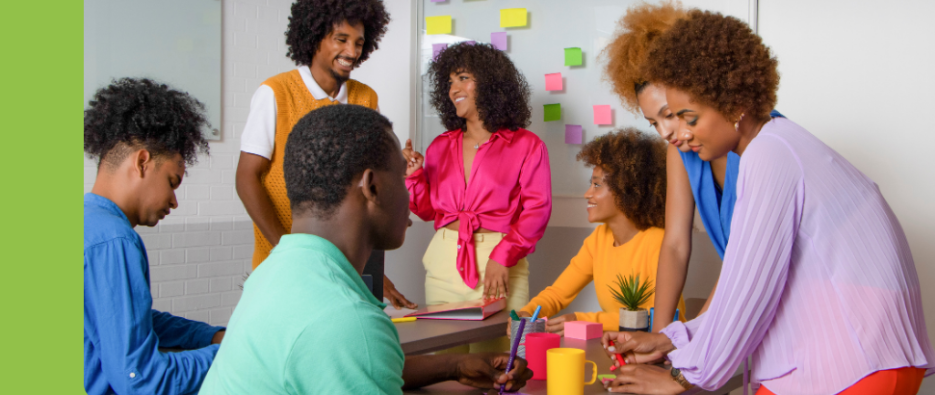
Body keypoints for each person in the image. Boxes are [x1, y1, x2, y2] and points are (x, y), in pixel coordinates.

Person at [600, 10, 935, 395]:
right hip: (850, 354)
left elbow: (750, 290)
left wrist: (681, 377)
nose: (679, 134)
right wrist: (675, 339)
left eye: (687, 117)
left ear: (732, 102)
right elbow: (750, 289)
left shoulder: (770, 156)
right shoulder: (776, 145)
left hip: (857, 360)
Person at [200, 105, 533, 394]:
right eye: (403, 177)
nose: (409, 192)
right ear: (372, 186)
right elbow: (352, 346)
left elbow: (348, 364)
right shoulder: (347, 320)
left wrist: (454, 365)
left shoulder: (277, 270)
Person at [601, 1, 783, 331]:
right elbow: (674, 245)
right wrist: (661, 334)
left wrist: (691, 338)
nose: (666, 132)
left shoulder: (763, 146)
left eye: (671, 115)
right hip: (746, 297)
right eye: (652, 122)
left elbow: (743, 261)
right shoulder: (680, 152)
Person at [234, 0, 414, 308]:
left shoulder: (365, 97)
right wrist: (286, 251)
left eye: (359, 43)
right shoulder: (276, 92)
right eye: (341, 39)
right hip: (284, 262)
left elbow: (368, 189)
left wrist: (396, 166)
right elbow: (246, 178)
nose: (352, 52)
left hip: (347, 269)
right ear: (314, 37)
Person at [404, 43, 551, 352]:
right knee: (444, 369)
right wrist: (413, 176)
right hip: (444, 265)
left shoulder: (527, 145)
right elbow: (430, 212)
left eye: (462, 78)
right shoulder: (439, 146)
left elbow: (537, 210)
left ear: (490, 82)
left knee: (496, 365)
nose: (453, 88)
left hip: (501, 268)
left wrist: (503, 255)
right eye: (449, 82)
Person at [84, 78, 225, 395]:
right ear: (143, 161)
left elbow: (127, 320)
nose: (175, 201)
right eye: (172, 182)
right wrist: (238, 352)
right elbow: (142, 381)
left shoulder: (87, 222)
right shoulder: (114, 240)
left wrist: (209, 336)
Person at [512, 129, 685, 334]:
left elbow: (659, 317)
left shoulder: (659, 242)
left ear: (625, 189)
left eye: (597, 185)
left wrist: (582, 319)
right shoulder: (598, 240)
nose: (588, 194)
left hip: (660, 353)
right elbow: (558, 293)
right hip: (616, 348)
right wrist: (526, 314)